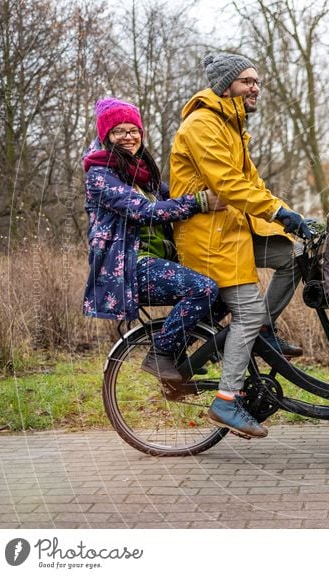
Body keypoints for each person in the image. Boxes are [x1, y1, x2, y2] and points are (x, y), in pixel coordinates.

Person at [170, 52, 312, 439]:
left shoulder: (232, 127)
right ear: (226, 84)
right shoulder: (202, 125)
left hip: (233, 230)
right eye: (248, 81)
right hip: (209, 237)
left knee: (296, 255)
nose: (255, 88)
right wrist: (281, 215)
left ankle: (263, 328)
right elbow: (229, 186)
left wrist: (290, 215)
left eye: (257, 82)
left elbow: (253, 185)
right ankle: (227, 401)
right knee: (246, 312)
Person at [82, 97, 225, 388]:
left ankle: (178, 354)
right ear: (106, 136)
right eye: (119, 131)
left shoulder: (141, 174)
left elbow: (171, 196)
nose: (129, 136)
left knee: (222, 293)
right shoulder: (100, 176)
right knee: (204, 289)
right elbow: (144, 211)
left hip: (154, 261)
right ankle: (161, 351)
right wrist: (199, 201)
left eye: (133, 130)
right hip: (129, 267)